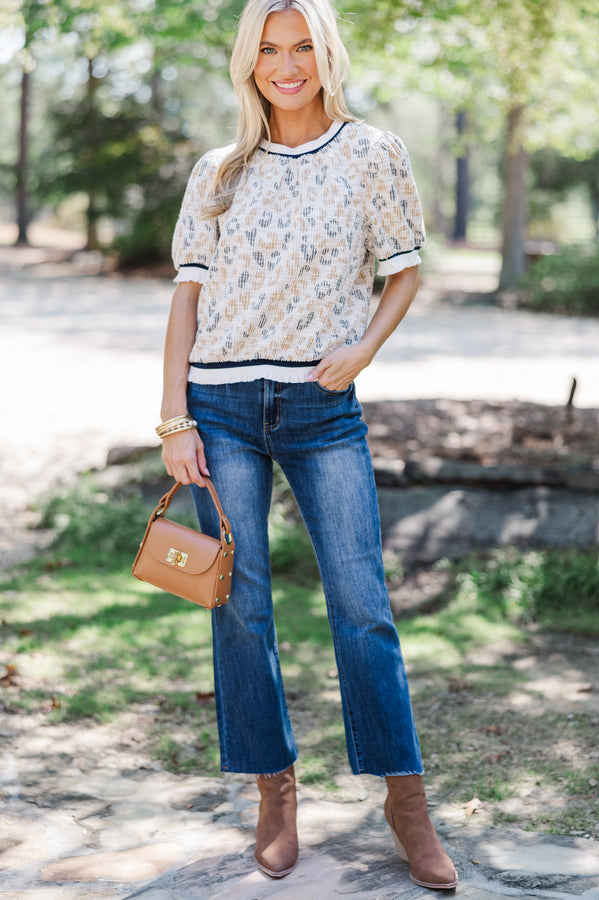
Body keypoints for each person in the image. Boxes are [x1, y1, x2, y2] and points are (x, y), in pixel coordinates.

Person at [158, 0, 457, 890]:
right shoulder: (219, 170)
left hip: (323, 407)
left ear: (326, 54)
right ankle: (274, 790)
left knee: (363, 603)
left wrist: (364, 346)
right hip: (221, 405)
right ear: (249, 62)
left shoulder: (373, 153)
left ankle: (407, 804)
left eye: (301, 48)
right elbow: (186, 295)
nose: (285, 66)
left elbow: (404, 266)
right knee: (240, 603)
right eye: (268, 50)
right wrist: (175, 418)